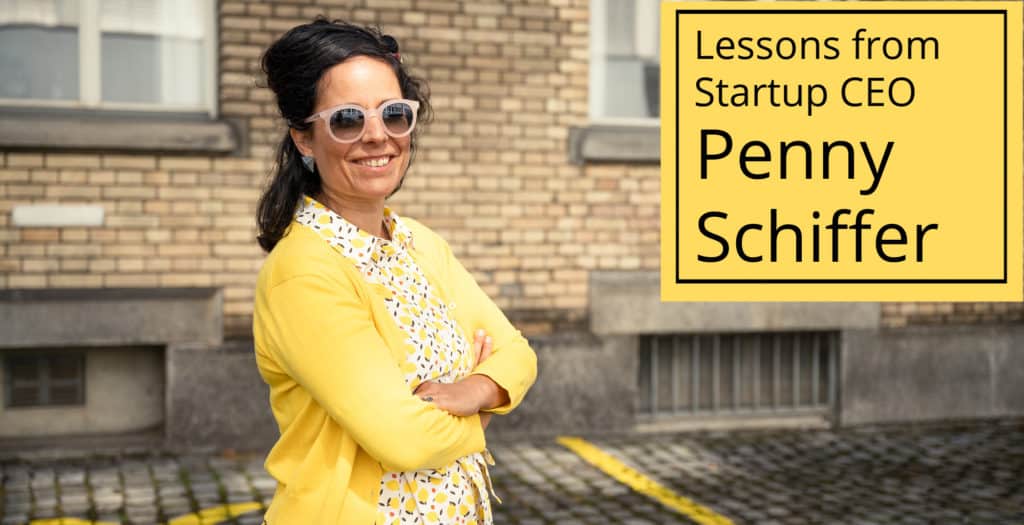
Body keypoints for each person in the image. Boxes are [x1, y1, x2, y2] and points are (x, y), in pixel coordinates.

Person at [251, 18, 538, 524]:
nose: (377, 136)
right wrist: (488, 411)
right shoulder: (304, 273)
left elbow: (518, 353)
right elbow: (405, 439)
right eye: (346, 119)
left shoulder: (420, 243)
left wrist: (472, 392)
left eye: (394, 114)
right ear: (303, 139)